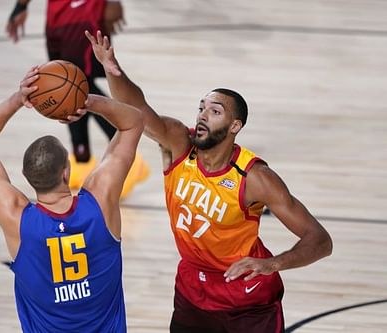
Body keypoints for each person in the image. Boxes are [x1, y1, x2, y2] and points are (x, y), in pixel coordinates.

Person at [86, 30, 333, 333]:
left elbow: (320, 240)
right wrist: (114, 70)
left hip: (247, 301)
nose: (203, 115)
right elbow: (139, 111)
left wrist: (273, 264)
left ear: (234, 126)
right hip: (192, 292)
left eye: (215, 111)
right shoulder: (179, 144)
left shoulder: (255, 177)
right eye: (201, 107)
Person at [0, 65, 144, 332]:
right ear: (67, 172)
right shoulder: (100, 201)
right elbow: (133, 123)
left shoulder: (15, 216)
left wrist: (18, 99)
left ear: (26, 177)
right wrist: (87, 100)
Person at [5, 0, 149, 197]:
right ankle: (82, 157)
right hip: (57, 18)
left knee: (74, 83)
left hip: (85, 14)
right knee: (64, 88)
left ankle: (126, 150)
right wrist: (21, 6)